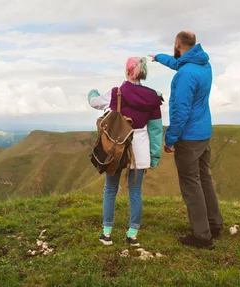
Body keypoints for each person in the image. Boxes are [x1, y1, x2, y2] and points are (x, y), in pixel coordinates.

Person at [150, 30, 223, 250]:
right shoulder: (203, 65)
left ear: (177, 43)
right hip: (203, 133)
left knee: (191, 185)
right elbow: (178, 63)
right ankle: (214, 224)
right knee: (204, 179)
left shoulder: (185, 75)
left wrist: (170, 138)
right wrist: (159, 57)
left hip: (189, 137)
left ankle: (202, 236)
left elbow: (180, 110)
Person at [88, 57, 164, 247]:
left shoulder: (116, 93)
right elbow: (155, 130)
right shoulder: (154, 97)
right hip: (140, 148)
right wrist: (155, 155)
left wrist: (92, 92)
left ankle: (107, 234)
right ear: (143, 73)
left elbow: (95, 102)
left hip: (117, 147)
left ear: (127, 71)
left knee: (111, 189)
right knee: (136, 192)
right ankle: (132, 235)